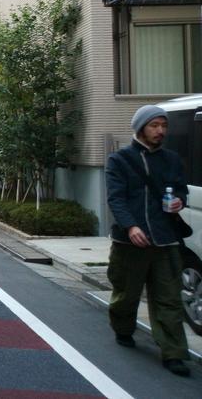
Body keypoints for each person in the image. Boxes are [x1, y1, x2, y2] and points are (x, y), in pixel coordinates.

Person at [105, 104, 191, 377]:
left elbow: (180, 190)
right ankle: (123, 328)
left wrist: (179, 201)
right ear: (141, 128)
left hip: (166, 239)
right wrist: (130, 226)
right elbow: (116, 199)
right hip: (130, 243)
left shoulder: (172, 160)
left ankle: (174, 352)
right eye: (154, 126)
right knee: (125, 295)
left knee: (169, 299)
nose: (161, 131)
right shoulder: (120, 160)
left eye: (163, 126)